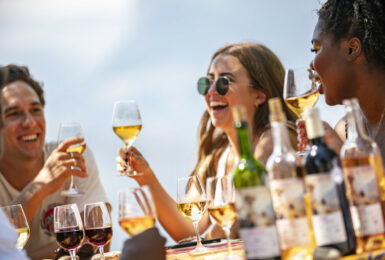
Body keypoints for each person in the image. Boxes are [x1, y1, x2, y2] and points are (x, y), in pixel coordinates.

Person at [116, 42, 298, 242]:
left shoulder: (274, 140)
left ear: (260, 95)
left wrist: (201, 243)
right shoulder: (217, 157)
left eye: (224, 82)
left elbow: (242, 218)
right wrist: (145, 176)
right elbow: (188, 229)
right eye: (207, 83)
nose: (211, 91)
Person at [0, 64, 109, 260]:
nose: (30, 122)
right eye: (14, 114)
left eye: (35, 110)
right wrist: (39, 187)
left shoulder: (72, 159)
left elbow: (97, 243)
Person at [303, 0, 385, 160]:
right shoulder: (343, 131)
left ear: (352, 49)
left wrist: (353, 164)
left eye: (316, 49)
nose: (311, 65)